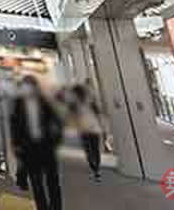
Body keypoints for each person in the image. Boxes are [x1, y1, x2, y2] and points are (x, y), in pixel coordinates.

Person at [9, 75, 63, 210]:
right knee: (36, 182)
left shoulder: (44, 101)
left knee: (53, 181)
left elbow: (57, 121)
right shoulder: (17, 103)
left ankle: (56, 207)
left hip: (46, 146)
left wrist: (56, 140)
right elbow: (14, 125)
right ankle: (42, 207)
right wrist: (16, 144)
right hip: (29, 148)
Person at [68, 84, 103, 182]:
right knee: (93, 149)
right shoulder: (77, 104)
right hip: (90, 128)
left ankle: (95, 168)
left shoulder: (83, 103)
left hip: (88, 129)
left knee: (90, 149)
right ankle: (96, 169)